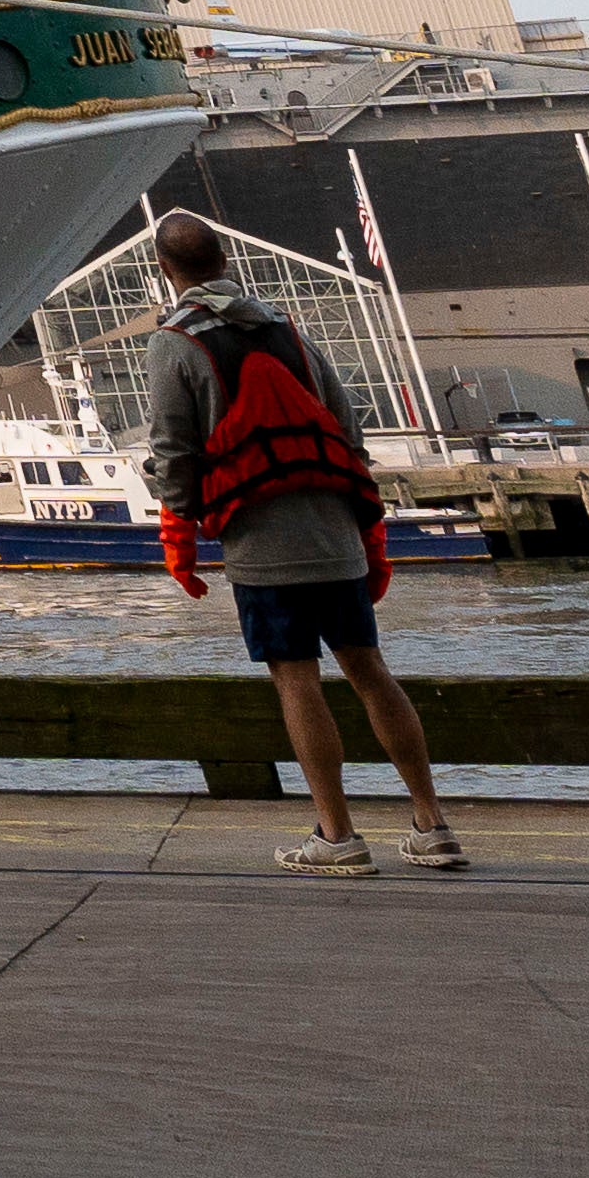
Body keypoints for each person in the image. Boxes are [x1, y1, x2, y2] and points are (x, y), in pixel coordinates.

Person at [141, 206, 461, 875]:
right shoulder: (290, 331)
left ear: (165, 270)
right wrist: (361, 527)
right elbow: (346, 428)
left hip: (262, 544)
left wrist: (182, 528)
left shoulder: (174, 343)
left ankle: (338, 837)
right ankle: (431, 825)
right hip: (335, 531)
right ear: (225, 260)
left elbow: (174, 453)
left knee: (295, 680)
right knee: (370, 671)